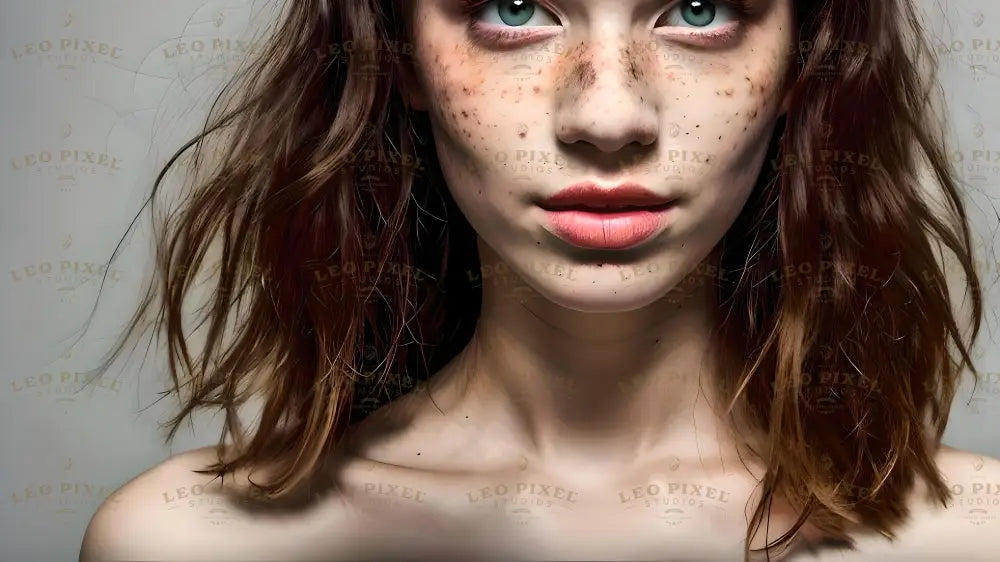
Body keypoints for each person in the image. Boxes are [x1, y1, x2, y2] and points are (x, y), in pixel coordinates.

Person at [79, 0, 999, 560]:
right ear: (396, 52)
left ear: (806, 57)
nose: (608, 115)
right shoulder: (187, 545)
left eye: (699, 7)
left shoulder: (970, 541)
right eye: (514, 8)